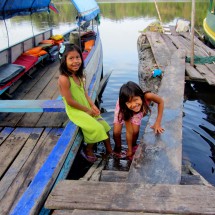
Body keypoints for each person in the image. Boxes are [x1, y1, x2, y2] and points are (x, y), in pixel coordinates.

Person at [58, 43, 112, 162]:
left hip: (85, 106)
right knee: (97, 128)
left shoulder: (79, 75)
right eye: (71, 58)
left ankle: (110, 152)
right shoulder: (64, 79)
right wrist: (87, 110)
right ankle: (88, 149)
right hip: (75, 111)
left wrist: (92, 106)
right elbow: (70, 101)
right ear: (64, 61)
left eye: (77, 57)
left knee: (106, 127)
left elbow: (85, 94)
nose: (75, 61)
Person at [113, 81, 164, 159]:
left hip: (138, 111)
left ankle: (133, 145)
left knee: (135, 131)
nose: (133, 104)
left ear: (140, 96)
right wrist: (129, 150)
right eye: (129, 102)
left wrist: (157, 123)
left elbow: (161, 102)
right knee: (116, 132)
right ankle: (117, 149)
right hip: (124, 110)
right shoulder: (124, 109)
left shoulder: (148, 96)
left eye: (135, 100)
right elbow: (129, 132)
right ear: (126, 103)